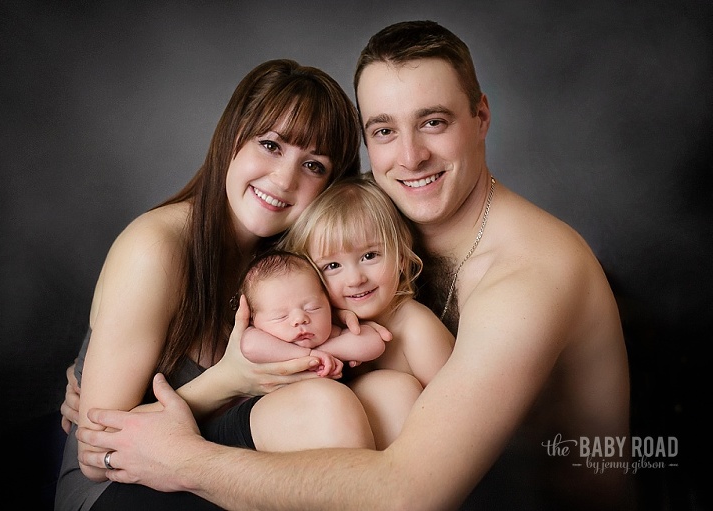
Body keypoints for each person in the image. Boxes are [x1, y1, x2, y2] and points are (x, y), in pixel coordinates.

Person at [73, 20, 634, 510]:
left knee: (385, 398)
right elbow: (104, 431)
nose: (410, 156)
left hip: (518, 498)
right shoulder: (370, 223)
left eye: (434, 122)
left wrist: (186, 458)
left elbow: (412, 493)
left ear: (481, 116)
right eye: (384, 130)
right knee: (369, 400)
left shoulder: (531, 274)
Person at [55, 58, 379, 511]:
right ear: (232, 140)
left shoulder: (297, 264)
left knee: (362, 404)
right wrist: (229, 380)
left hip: (216, 460)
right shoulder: (156, 247)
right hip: (120, 484)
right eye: (270, 145)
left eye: (313, 165)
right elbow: (99, 451)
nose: (284, 179)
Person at [279, 175, 455, 447]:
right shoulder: (318, 325)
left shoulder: (417, 330)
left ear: (400, 254)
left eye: (369, 256)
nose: (355, 279)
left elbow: (457, 419)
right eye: (332, 266)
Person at [237, 248, 387, 379]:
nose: (300, 319)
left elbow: (374, 343)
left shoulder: (332, 335)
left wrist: (321, 352)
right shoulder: (263, 340)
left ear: (329, 305)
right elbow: (249, 346)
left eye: (312, 308)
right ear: (253, 321)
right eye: (281, 316)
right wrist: (308, 356)